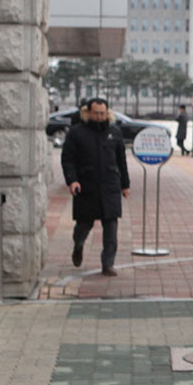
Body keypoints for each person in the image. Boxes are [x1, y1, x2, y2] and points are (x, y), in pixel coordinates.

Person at [60, 97, 128, 277]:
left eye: (102, 113)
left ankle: (108, 264)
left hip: (110, 186)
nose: (99, 117)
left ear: (107, 113)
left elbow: (121, 160)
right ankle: (78, 244)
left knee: (111, 227)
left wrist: (125, 185)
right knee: (83, 225)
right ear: (88, 113)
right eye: (96, 113)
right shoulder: (76, 133)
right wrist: (72, 180)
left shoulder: (114, 132)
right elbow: (68, 159)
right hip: (86, 186)